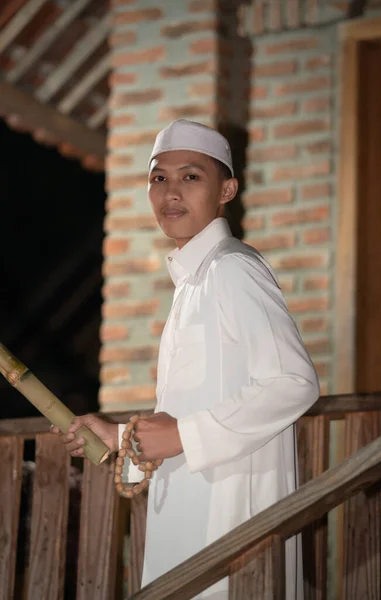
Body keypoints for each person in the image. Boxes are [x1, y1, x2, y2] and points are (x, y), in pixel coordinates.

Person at [51, 120, 320, 599]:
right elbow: (190, 408)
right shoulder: (191, 285)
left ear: (227, 189)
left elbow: (292, 382)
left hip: (230, 514)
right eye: (159, 178)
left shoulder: (232, 269)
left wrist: (180, 435)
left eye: (190, 177)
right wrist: (118, 437)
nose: (171, 192)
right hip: (189, 510)